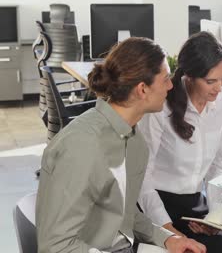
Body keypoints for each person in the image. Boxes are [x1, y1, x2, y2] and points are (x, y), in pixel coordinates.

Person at [36, 37, 206, 253]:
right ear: (142, 89)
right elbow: (55, 246)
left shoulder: (134, 140)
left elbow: (124, 213)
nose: (171, 86)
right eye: (165, 79)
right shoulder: (82, 146)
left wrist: (167, 239)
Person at [138, 32, 222, 253]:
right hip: (155, 205)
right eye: (211, 81)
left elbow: (217, 166)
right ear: (189, 76)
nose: (219, 87)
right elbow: (142, 176)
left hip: (195, 208)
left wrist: (215, 217)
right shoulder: (161, 106)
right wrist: (167, 229)